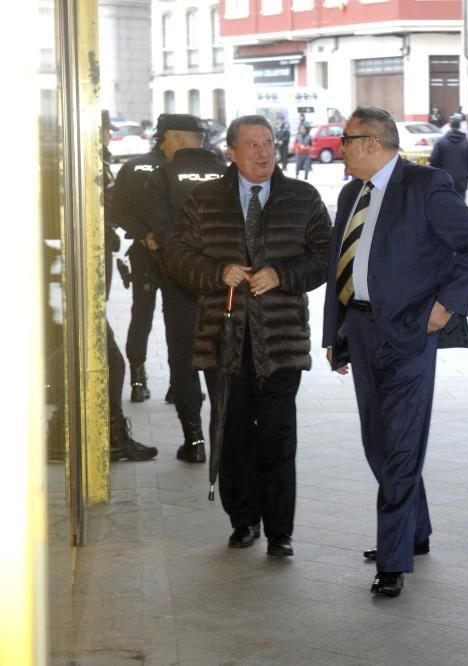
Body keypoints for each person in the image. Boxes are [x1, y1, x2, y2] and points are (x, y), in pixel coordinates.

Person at [321, 106, 468, 598]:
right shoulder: (348, 193)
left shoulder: (426, 187)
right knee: (377, 442)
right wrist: (336, 336)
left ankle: (393, 559)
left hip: (408, 335)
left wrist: (448, 305)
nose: (341, 147)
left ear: (371, 143)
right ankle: (413, 532)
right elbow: (342, 265)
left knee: (400, 448)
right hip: (360, 328)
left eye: (346, 139)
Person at [165, 115, 332, 557]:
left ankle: (280, 530)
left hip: (281, 340)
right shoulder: (204, 200)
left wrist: (283, 275)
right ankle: (243, 520)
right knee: (233, 431)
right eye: (253, 145)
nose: (263, 152)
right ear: (232, 152)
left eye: (269, 144)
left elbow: (323, 257)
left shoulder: (303, 197)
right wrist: (218, 273)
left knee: (278, 434)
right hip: (222, 339)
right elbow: (177, 256)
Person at [144, 113, 226, 463]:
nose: (162, 144)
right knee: (224, 358)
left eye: (166, 138)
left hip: (180, 284)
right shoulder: (229, 173)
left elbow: (163, 233)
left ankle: (193, 440)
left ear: (178, 138)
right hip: (226, 284)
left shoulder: (161, 175)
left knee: (184, 358)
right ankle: (225, 437)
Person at [101, 110, 158, 461]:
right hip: (83, 274)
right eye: (106, 129)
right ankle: (111, 437)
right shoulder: (93, 163)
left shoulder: (107, 164)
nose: (109, 134)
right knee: (111, 362)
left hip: (101, 263)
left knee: (114, 357)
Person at [108, 118, 168, 404]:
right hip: (180, 257)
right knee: (180, 319)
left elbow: (116, 210)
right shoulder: (182, 169)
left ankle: (136, 379)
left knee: (141, 314)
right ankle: (180, 381)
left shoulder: (132, 167)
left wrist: (143, 234)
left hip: (144, 253)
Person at [429, 113, 468, 200]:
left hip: (444, 181)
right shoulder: (467, 144)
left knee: (444, 206)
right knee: (460, 207)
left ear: (450, 125)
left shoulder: (441, 143)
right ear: (460, 126)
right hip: (461, 182)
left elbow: (433, 160)